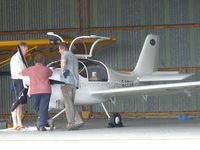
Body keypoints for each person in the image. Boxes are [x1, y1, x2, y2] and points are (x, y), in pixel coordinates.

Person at [20, 53, 53, 131]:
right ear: (43, 61)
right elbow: (51, 73)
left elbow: (21, 73)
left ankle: (42, 126)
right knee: (43, 108)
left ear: (34, 61)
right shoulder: (46, 69)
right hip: (45, 91)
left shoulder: (30, 69)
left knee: (37, 108)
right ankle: (46, 119)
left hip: (34, 92)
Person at [58, 43, 84, 130]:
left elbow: (63, 63)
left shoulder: (64, 55)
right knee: (71, 103)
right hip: (74, 83)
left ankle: (71, 123)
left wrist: (62, 71)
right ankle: (78, 120)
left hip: (66, 82)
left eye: (59, 50)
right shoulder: (74, 56)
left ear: (62, 49)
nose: (59, 51)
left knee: (68, 104)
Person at [10, 42, 28, 130]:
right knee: (16, 103)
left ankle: (20, 123)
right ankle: (15, 123)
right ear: (22, 49)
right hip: (17, 81)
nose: (27, 51)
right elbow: (19, 72)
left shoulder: (22, 58)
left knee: (21, 104)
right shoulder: (16, 58)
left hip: (22, 81)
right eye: (26, 49)